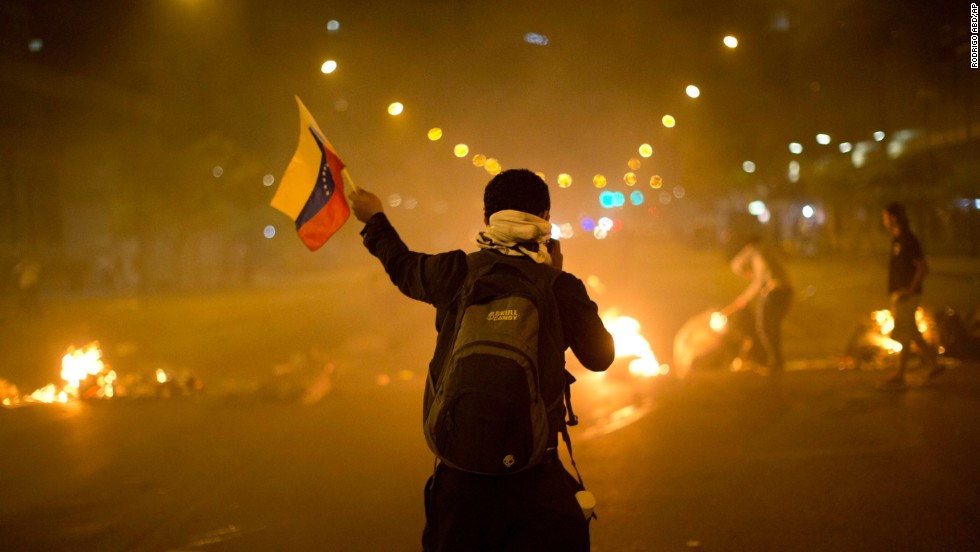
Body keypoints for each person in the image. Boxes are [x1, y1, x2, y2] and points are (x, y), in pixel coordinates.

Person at [348, 169, 615, 551]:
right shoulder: (558, 285)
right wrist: (556, 280)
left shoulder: (457, 272)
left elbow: (402, 266)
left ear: (487, 218)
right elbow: (600, 357)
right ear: (545, 218)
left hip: (460, 481)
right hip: (535, 480)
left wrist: (374, 218)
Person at [881, 202, 942, 386]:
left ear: (893, 218)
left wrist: (909, 289)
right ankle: (930, 365)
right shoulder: (897, 239)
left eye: (884, 216)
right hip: (900, 294)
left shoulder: (908, 239)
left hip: (908, 295)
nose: (883, 221)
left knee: (906, 332)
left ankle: (903, 372)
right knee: (909, 332)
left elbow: (923, 268)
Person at [720, 236, 793, 374]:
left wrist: (744, 298)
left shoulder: (756, 252)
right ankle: (777, 362)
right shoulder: (769, 252)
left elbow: (737, 266)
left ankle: (774, 361)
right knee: (773, 327)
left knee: (764, 326)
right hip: (786, 292)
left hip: (775, 293)